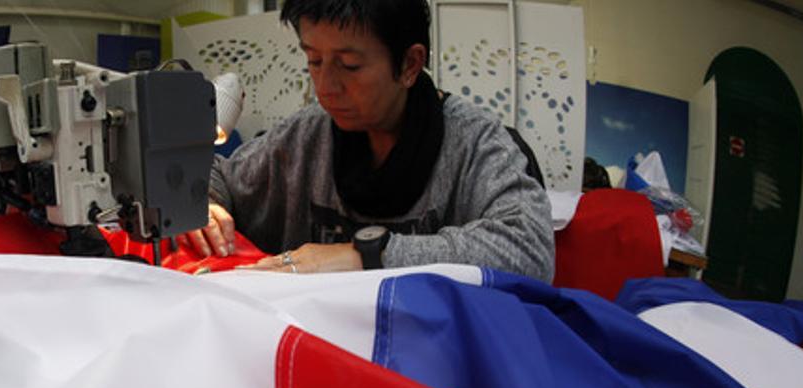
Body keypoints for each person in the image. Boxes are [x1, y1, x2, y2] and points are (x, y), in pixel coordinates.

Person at [184, 0, 555, 282]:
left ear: (410, 64)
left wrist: (364, 255)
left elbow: (530, 251)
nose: (326, 88)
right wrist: (205, 202)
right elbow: (218, 177)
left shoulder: (474, 142)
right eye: (314, 61)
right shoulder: (306, 134)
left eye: (349, 66)